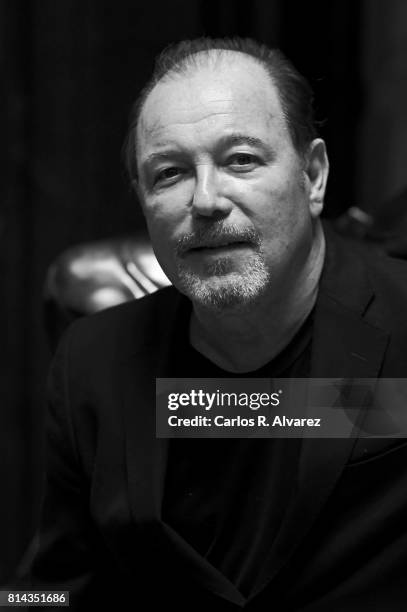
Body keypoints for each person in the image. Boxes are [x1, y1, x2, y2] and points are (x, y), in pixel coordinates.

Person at [29, 37, 407, 611]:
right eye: (170, 173)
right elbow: (52, 589)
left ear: (313, 176)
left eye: (241, 161)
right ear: (142, 199)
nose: (206, 200)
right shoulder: (94, 362)